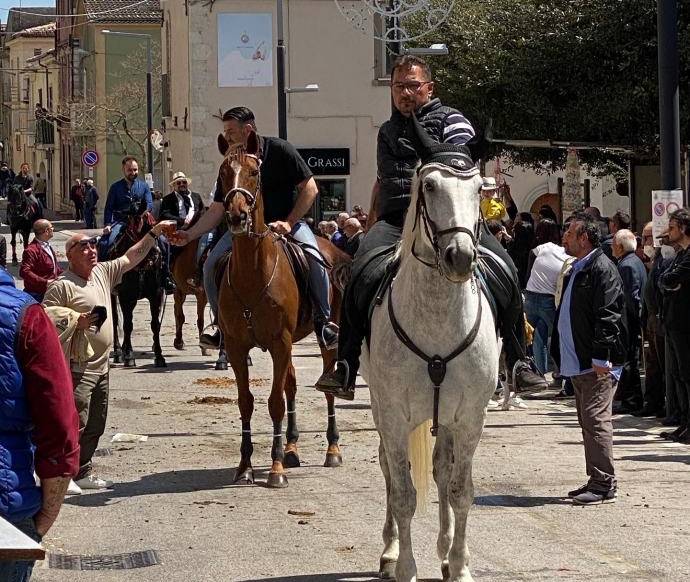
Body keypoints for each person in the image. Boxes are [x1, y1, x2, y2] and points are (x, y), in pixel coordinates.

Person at [316, 54, 545, 399]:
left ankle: (519, 362)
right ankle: (346, 363)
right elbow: (387, 180)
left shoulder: (452, 120)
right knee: (360, 269)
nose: (405, 93)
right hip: (396, 220)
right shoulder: (388, 132)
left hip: (452, 218)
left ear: (430, 87)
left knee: (506, 270)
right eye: (398, 86)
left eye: (412, 85)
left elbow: (460, 155)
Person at [171, 106, 338, 351]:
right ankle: (220, 324)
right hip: (245, 229)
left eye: (230, 131)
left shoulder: (280, 150)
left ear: (247, 130)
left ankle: (324, 322)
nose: (226, 137)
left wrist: (290, 222)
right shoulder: (230, 165)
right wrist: (189, 235)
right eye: (224, 131)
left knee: (315, 258)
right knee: (209, 264)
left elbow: (310, 188)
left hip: (286, 224)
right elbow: (217, 210)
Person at [42, 220, 177, 488]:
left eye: (93, 245)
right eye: (84, 246)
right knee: (73, 425)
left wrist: (155, 232)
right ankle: (63, 475)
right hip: (77, 367)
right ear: (69, 254)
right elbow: (45, 319)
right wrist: (74, 319)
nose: (92, 250)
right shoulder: (62, 285)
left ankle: (82, 471)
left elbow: (131, 256)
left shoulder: (103, 272)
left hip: (102, 367)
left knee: (96, 424)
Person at [0, 266, 79, 582]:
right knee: (213, 261)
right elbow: (60, 423)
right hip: (5, 512)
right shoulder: (26, 314)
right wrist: (46, 511)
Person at [552, 213, 627, 504]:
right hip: (579, 363)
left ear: (584, 238)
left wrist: (601, 355)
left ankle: (604, 483)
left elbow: (608, 315)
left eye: (569, 233)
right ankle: (596, 479)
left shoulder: (601, 268)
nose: (564, 238)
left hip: (597, 364)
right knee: (588, 421)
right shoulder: (578, 268)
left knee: (596, 421)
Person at [100, 156, 174, 294]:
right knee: (105, 243)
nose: (132, 173)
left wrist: (143, 212)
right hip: (121, 221)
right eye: (129, 170)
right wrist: (107, 224)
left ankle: (166, 275)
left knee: (164, 242)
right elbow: (109, 207)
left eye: (135, 170)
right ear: (123, 169)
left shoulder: (144, 186)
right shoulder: (115, 187)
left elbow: (150, 204)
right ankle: (105, 278)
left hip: (141, 220)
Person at [658, 208, 690, 444]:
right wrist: (668, 283)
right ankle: (684, 421)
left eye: (672, 227)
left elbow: (669, 279)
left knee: (687, 375)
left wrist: (669, 283)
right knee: (680, 374)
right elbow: (664, 279)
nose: (668, 232)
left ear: (683, 228)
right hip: (674, 323)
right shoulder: (681, 254)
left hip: (685, 324)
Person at [524, 219, 567, 376]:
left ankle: (537, 373)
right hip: (550, 300)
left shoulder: (539, 249)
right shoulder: (564, 252)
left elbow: (528, 272)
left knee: (532, 338)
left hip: (530, 296)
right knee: (556, 338)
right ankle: (561, 372)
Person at [611, 229, 647, 413]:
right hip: (631, 320)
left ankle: (631, 400)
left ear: (620, 246)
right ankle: (630, 398)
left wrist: (630, 319)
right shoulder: (633, 262)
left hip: (629, 321)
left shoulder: (627, 265)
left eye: (613, 245)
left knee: (629, 360)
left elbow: (631, 297)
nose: (611, 248)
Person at [637, 222, 669, 417]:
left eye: (647, 238)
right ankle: (653, 401)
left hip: (659, 320)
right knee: (652, 364)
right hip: (650, 319)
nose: (643, 242)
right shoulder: (652, 261)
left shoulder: (664, 260)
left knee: (662, 364)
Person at [19, 219, 61, 302]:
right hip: (37, 294)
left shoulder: (47, 245)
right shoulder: (31, 250)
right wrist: (45, 282)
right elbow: (24, 271)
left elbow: (53, 268)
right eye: (52, 228)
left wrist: (68, 273)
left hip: (49, 291)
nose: (53, 230)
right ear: (46, 231)